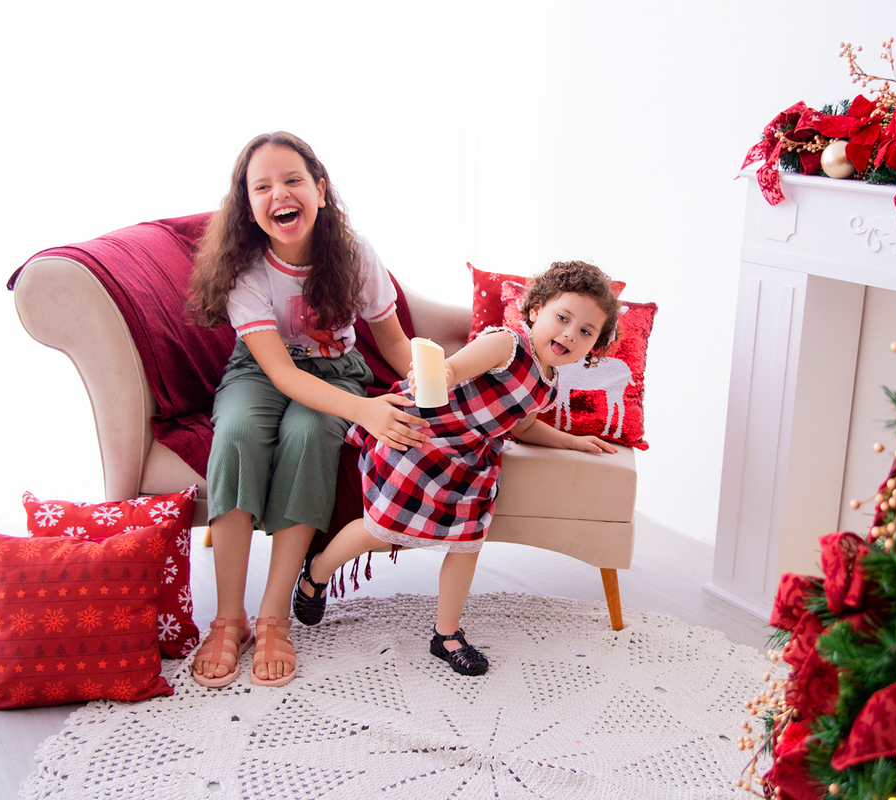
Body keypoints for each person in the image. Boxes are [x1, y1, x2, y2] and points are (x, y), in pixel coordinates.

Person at [292, 260, 621, 676]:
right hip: (423, 436)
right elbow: (455, 368)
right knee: (380, 530)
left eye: (586, 331)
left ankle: (446, 634)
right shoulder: (507, 344)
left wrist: (573, 441)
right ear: (535, 309)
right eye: (563, 317)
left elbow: (524, 426)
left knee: (468, 543)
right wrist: (440, 371)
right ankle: (317, 570)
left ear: (593, 347)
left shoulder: (549, 384)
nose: (570, 333)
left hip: (468, 459)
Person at [186, 132, 428, 688]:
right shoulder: (246, 268)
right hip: (262, 372)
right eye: (262, 186)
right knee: (240, 430)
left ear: (319, 189)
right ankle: (230, 619)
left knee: (311, 431)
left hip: (337, 372)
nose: (279, 194)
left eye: (292, 180)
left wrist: (437, 375)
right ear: (248, 206)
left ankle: (273, 617)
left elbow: (392, 343)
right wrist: (366, 413)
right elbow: (281, 373)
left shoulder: (354, 253)